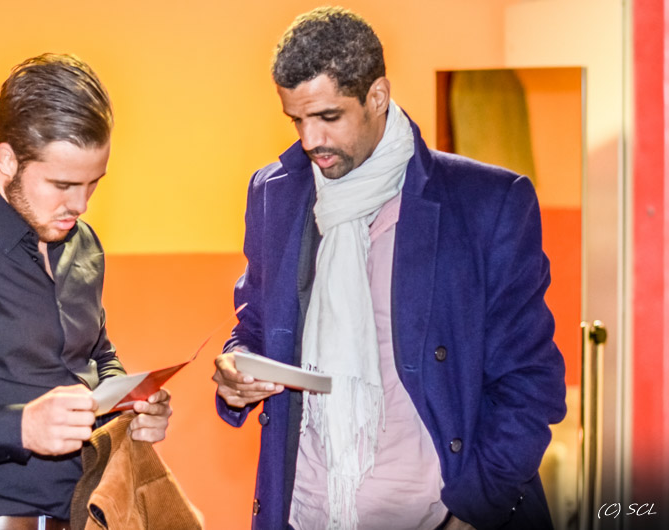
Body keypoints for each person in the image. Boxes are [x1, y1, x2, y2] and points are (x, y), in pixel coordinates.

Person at [213, 7, 566, 530]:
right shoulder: (275, 192)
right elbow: (255, 327)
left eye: (328, 117)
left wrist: (473, 512)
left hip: (435, 515)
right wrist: (237, 370)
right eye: (297, 120)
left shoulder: (487, 203)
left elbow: (530, 383)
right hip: (308, 512)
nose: (309, 140)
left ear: (377, 96)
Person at [0, 53, 172, 530]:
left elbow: (96, 355)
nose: (80, 204)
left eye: (93, 184)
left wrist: (129, 404)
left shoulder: (83, 243)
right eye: (63, 184)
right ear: (8, 159)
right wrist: (21, 428)